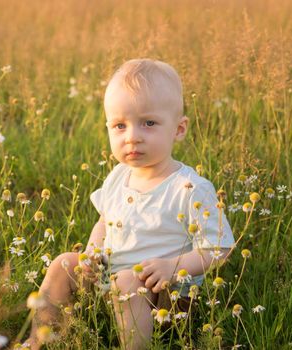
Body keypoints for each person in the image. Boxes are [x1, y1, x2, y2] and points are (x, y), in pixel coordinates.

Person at [24, 58, 235, 350]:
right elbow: (103, 220)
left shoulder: (189, 188)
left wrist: (172, 267)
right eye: (120, 126)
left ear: (179, 129)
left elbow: (219, 247)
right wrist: (92, 251)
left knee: (126, 281)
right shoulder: (119, 176)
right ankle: (37, 340)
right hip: (110, 277)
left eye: (149, 123)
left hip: (164, 294)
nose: (132, 137)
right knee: (63, 264)